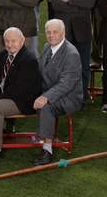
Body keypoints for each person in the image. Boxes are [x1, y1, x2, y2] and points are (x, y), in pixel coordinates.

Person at [0, 28, 43, 161]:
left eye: (14, 41)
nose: (10, 44)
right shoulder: (3, 55)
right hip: (6, 96)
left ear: (22, 40)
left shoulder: (28, 60)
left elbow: (21, 89)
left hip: (23, 101)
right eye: (7, 41)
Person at [34, 19, 83, 165]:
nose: (51, 35)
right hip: (51, 90)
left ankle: (47, 150)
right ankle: (39, 133)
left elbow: (66, 84)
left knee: (46, 107)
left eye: (55, 32)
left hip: (70, 96)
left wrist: (46, 97)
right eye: (48, 32)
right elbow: (40, 71)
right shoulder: (46, 47)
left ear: (63, 33)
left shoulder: (71, 53)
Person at [48, 0, 95, 103]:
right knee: (63, 65)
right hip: (64, 30)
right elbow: (55, 4)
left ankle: (82, 95)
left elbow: (90, 2)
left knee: (83, 64)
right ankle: (63, 94)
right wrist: (78, 4)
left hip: (83, 29)